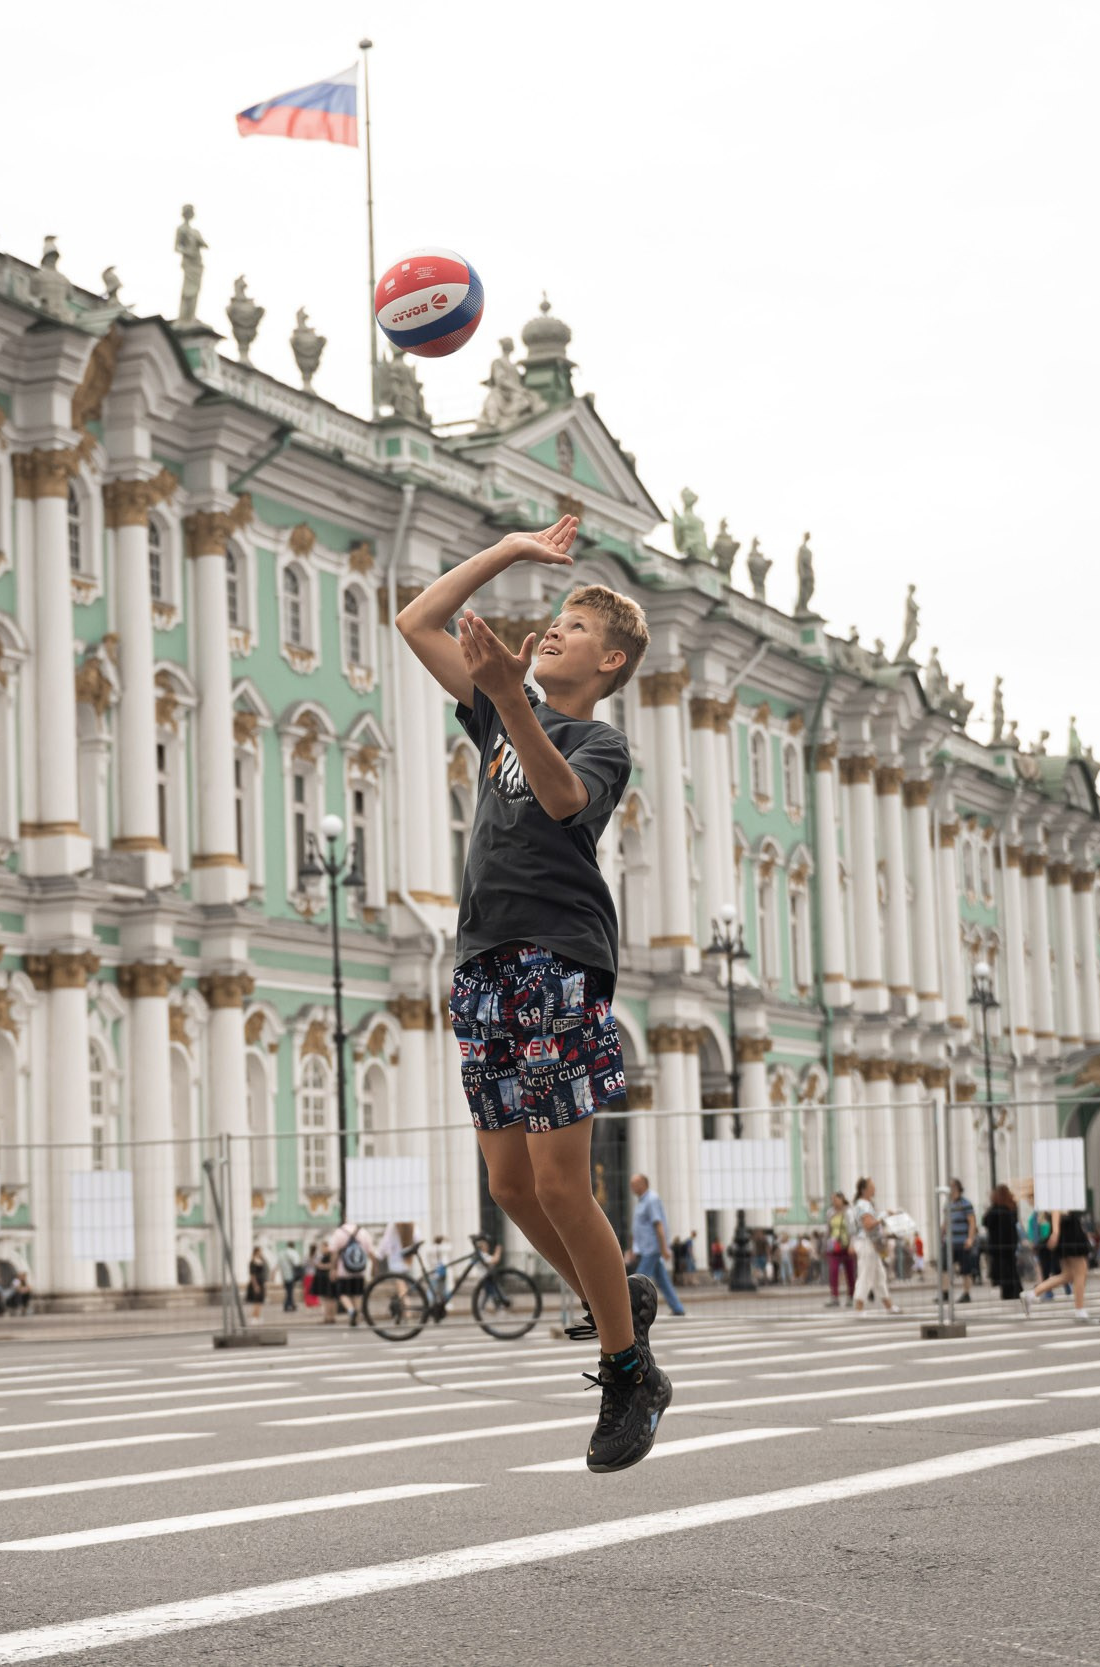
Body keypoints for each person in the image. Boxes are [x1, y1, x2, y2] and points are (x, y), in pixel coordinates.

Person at [394, 513, 668, 1473]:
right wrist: (511, 550)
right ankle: (613, 1301)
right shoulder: (504, 705)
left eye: (579, 629)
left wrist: (512, 698)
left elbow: (559, 802)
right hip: (481, 961)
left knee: (560, 1180)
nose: (555, 628)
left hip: (556, 956)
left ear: (614, 663)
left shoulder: (597, 742)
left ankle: (627, 1368)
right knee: (509, 1184)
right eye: (553, 617)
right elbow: (417, 619)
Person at [626, 1174, 688, 1318]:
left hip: (651, 1249)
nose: (631, 1187)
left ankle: (631, 1311)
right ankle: (677, 1308)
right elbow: (640, 1228)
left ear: (643, 1184)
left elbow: (658, 1224)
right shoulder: (641, 1202)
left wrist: (663, 1248)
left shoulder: (651, 1200)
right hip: (645, 1248)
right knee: (662, 1280)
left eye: (634, 1184)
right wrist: (634, 1249)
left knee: (639, 1281)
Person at [1025, 1206, 1100, 1324]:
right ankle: (1080, 1310)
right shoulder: (1060, 1191)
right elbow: (1056, 1205)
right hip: (1069, 1231)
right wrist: (1055, 1232)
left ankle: (1031, 1294)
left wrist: (1056, 1231)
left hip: (1067, 1230)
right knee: (1080, 1272)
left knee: (1068, 1275)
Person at [848, 1178, 897, 1316]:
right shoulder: (863, 1205)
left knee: (879, 1275)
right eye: (872, 1186)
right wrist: (884, 1217)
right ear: (864, 1190)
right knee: (865, 1274)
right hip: (866, 1243)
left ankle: (889, 1306)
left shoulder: (864, 1204)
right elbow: (868, 1224)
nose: (875, 1189)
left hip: (869, 1243)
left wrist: (883, 1214)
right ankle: (859, 1307)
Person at [982, 1183, 1023, 1300]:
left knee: (1003, 1269)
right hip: (1010, 1243)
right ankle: (1016, 1290)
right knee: (1011, 1268)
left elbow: (985, 1222)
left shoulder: (995, 1210)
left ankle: (1008, 1293)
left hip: (998, 1245)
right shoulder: (1012, 1207)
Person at [944, 1178, 979, 1304]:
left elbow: (972, 1222)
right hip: (950, 1242)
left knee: (966, 1269)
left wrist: (970, 1238)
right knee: (945, 1267)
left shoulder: (966, 1204)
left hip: (963, 1241)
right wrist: (942, 1236)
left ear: (958, 1188)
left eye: (952, 1187)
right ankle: (945, 1292)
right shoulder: (948, 1205)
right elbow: (946, 1223)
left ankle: (966, 1293)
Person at [824, 1191, 857, 1309]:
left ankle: (851, 1297)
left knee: (850, 1272)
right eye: (832, 1200)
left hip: (847, 1246)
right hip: (833, 1247)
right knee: (833, 1272)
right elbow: (828, 1229)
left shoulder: (849, 1211)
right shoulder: (830, 1212)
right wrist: (826, 1244)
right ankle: (834, 1297)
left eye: (835, 1199)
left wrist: (852, 1245)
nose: (833, 1202)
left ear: (842, 1199)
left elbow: (852, 1230)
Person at [244, 1245, 270, 1320]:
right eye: (260, 1251)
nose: (261, 1253)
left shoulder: (261, 1261)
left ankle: (258, 1315)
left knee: (260, 1300)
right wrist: (255, 1285)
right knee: (256, 1301)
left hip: (261, 1282)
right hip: (256, 1283)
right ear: (256, 1252)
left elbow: (265, 1270)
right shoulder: (252, 1262)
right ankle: (254, 1316)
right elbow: (252, 1275)